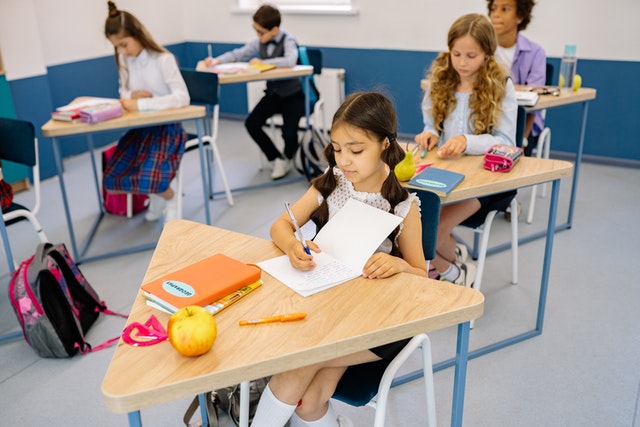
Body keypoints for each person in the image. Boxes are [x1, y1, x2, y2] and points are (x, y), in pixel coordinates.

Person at [250, 92, 429, 427]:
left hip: (378, 324)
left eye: (356, 150)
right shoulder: (332, 182)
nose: (344, 160)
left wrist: (402, 265)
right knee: (309, 402)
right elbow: (281, 225)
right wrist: (292, 245)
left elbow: (422, 275)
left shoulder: (404, 206)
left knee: (297, 363)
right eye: (336, 147)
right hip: (329, 307)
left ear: (385, 145)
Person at [414, 13, 517, 288]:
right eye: (456, 53)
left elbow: (506, 140)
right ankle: (452, 255)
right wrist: (430, 135)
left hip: (487, 181)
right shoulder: (442, 77)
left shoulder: (501, 84)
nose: (461, 62)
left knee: (431, 231)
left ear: (487, 54)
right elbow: (431, 123)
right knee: (413, 224)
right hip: (448, 173)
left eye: (471, 56)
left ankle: (456, 274)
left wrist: (467, 141)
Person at [103, 1, 189, 222]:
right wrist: (132, 96)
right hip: (141, 130)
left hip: (168, 130)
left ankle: (170, 198)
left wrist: (142, 104)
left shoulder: (163, 59)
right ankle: (160, 195)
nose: (122, 51)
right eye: (117, 47)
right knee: (112, 179)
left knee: (152, 177)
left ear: (137, 34)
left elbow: (182, 98)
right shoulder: (124, 60)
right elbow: (123, 91)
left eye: (124, 44)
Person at [205, 4, 305, 180]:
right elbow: (238, 54)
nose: (257, 36)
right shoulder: (259, 42)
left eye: (260, 32)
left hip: (292, 96)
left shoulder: (288, 39)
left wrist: (263, 63)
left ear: (274, 30)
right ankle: (276, 158)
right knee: (252, 123)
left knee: (289, 133)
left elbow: (290, 60)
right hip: (273, 95)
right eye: (256, 31)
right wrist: (216, 60)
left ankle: (288, 156)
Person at [488, 0, 546, 156]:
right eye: (493, 9)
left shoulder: (535, 53)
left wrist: (523, 138)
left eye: (505, 9)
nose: (496, 14)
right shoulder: (482, 50)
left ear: (519, 16)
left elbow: (535, 100)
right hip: (487, 119)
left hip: (524, 123)